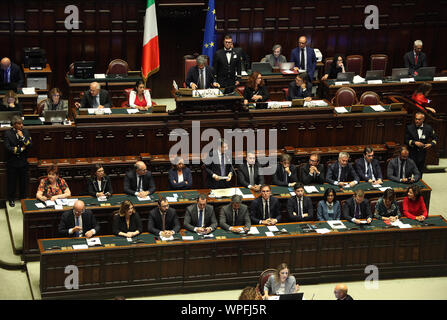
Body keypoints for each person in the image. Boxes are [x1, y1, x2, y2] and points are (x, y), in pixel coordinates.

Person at [4, 115, 32, 207]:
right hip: (12, 162)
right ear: (14, 124)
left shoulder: (25, 132)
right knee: (12, 182)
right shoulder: (8, 134)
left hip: (23, 162)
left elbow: (30, 145)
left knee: (23, 182)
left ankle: (22, 198)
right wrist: (20, 150)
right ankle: (11, 199)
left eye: (21, 123)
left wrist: (22, 137)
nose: (21, 125)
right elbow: (8, 147)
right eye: (19, 124)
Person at [405, 112, 438, 177]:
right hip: (411, 153)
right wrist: (414, 143)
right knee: (408, 172)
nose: (417, 121)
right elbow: (405, 140)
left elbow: (436, 138)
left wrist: (431, 144)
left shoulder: (428, 128)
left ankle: (419, 186)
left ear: (423, 119)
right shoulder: (409, 127)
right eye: (416, 119)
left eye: (419, 119)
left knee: (419, 172)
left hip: (422, 154)